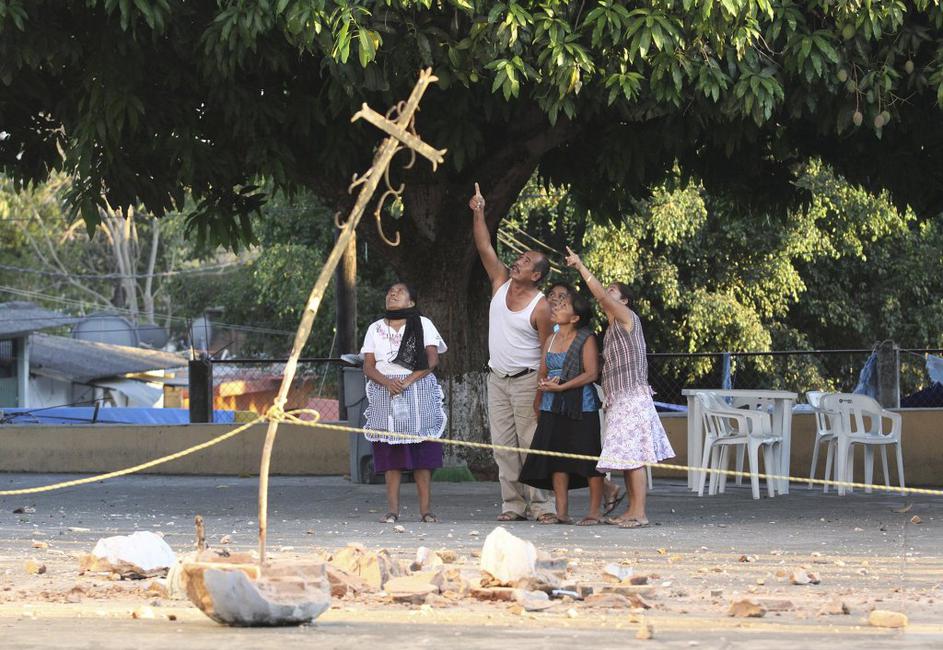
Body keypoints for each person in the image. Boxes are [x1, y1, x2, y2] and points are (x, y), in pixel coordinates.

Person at [564, 247, 675, 528]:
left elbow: (599, 296)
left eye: (614, 290)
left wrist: (580, 266)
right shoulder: (612, 331)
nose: (607, 292)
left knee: (634, 456)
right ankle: (631, 511)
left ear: (624, 300)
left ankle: (639, 512)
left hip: (631, 397)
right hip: (619, 398)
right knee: (627, 457)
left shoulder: (627, 318)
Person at [470, 183, 555, 523]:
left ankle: (543, 505)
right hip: (497, 379)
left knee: (531, 444)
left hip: (527, 380)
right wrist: (478, 212)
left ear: (537, 275)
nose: (518, 262)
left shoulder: (541, 306)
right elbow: (483, 246)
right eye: (519, 258)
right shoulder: (500, 282)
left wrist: (540, 390)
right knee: (503, 447)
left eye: (526, 262)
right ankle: (512, 505)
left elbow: (548, 348)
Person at [361, 282, 448, 524]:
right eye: (389, 291)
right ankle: (392, 510)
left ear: (411, 302)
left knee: (422, 450)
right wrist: (387, 383)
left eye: (399, 291)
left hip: (418, 388)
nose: (392, 294)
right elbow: (368, 365)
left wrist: (408, 380)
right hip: (384, 391)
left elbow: (432, 360)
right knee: (391, 454)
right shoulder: (375, 328)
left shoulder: (423, 324)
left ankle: (426, 510)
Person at [519, 287, 605, 525]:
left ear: (575, 318)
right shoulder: (551, 338)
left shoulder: (585, 338)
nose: (556, 308)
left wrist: (563, 386)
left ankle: (594, 511)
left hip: (581, 404)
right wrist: (541, 394)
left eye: (564, 306)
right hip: (551, 402)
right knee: (556, 457)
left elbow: (591, 373)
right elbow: (543, 372)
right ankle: (562, 512)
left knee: (588, 457)